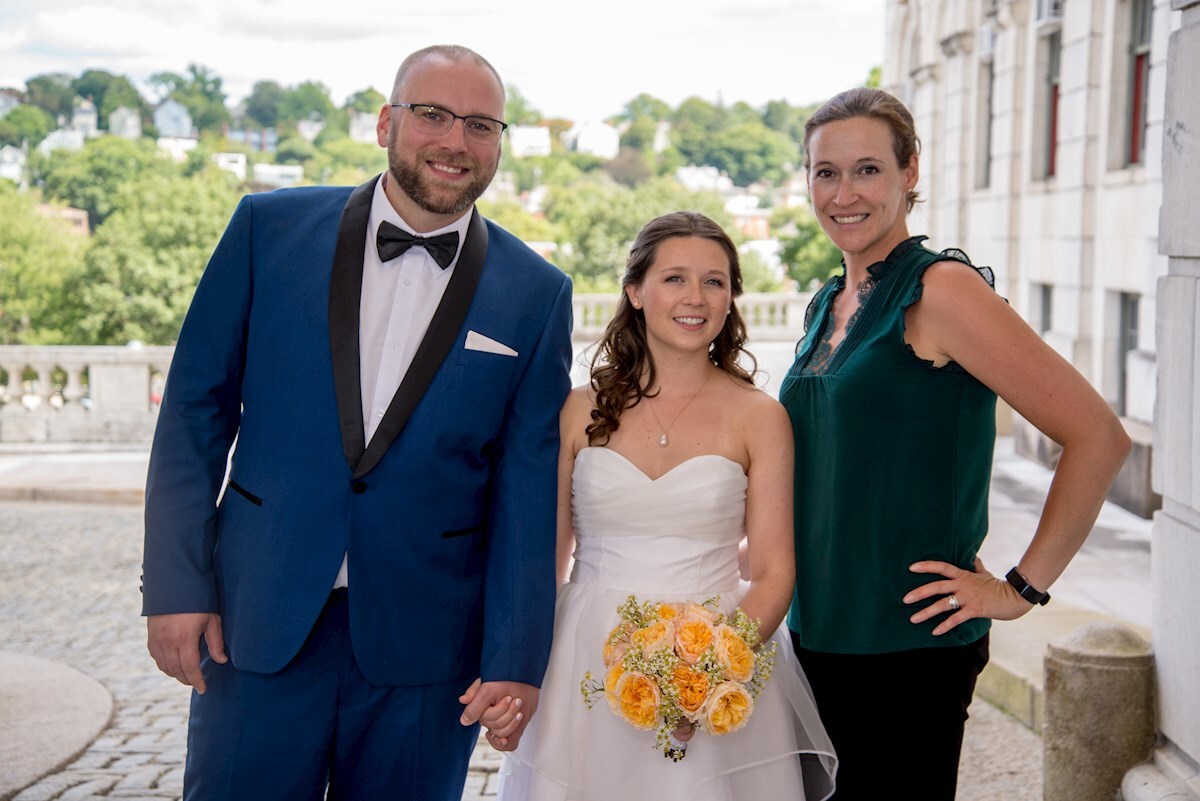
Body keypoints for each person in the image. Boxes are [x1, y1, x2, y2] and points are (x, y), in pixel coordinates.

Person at [140, 44, 572, 801]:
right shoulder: (264, 229)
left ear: (500, 143)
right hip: (257, 621)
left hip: (428, 647)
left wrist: (514, 655)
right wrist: (176, 584)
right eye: (432, 115)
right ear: (385, 123)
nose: (454, 141)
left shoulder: (537, 293)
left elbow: (527, 488)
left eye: (480, 124)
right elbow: (193, 412)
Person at [780, 86, 1132, 800]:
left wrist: (1019, 587)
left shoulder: (941, 289)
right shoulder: (827, 303)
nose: (844, 192)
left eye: (868, 169)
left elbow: (1098, 435)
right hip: (816, 637)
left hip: (906, 651)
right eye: (826, 172)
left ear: (910, 173)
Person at [483, 211, 837, 800]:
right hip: (584, 656)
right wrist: (515, 667)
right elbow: (544, 559)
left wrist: (708, 672)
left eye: (714, 281)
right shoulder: (575, 411)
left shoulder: (761, 417)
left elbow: (776, 573)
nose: (694, 297)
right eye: (674, 278)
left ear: (730, 301)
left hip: (721, 646)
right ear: (635, 292)